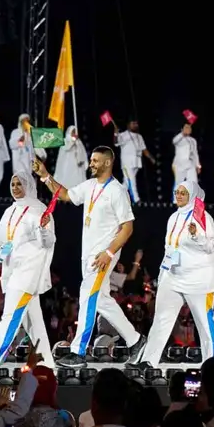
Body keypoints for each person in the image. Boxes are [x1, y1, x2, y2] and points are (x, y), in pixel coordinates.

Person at [35, 143, 142, 358]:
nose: (91, 164)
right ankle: (136, 340)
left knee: (87, 296)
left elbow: (127, 227)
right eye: (91, 160)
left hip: (103, 256)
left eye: (95, 160)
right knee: (101, 299)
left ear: (108, 162)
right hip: (89, 256)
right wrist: (46, 176)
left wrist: (109, 253)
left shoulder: (117, 191)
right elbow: (65, 195)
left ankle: (78, 351)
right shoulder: (91, 185)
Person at [0, 172, 54, 365]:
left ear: (29, 186)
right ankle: (48, 365)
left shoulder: (39, 210)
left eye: (20, 184)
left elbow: (49, 241)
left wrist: (43, 229)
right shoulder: (10, 211)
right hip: (12, 271)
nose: (16, 188)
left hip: (28, 274)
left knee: (10, 315)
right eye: (13, 184)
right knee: (33, 324)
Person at [142, 183, 214, 362]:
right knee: (161, 320)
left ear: (192, 195)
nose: (178, 196)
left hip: (199, 279)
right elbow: (169, 248)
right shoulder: (173, 217)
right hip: (173, 277)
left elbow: (212, 246)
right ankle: (148, 362)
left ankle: (212, 365)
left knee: (204, 323)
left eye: (183, 193)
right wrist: (162, 276)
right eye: (176, 192)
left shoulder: (202, 217)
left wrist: (196, 235)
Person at [116, 118, 147, 203]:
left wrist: (151, 158)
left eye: (136, 123)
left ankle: (116, 197)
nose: (135, 125)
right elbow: (115, 142)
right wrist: (115, 134)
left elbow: (144, 149)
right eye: (133, 123)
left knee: (126, 183)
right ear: (128, 125)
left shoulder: (139, 136)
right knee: (131, 181)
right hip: (127, 163)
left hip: (136, 163)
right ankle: (136, 200)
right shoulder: (123, 135)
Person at [170, 121, 200, 198]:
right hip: (180, 164)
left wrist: (198, 165)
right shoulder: (179, 138)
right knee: (179, 183)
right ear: (182, 129)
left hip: (190, 163)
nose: (188, 129)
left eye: (189, 127)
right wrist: (182, 133)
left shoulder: (193, 140)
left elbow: (195, 153)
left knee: (194, 183)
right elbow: (174, 141)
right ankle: (175, 201)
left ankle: (192, 202)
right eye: (186, 127)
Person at [9, 114, 36, 181]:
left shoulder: (30, 135)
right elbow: (11, 144)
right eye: (24, 121)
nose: (26, 123)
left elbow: (32, 151)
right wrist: (19, 140)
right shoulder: (15, 132)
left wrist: (35, 161)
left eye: (27, 121)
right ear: (20, 122)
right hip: (19, 164)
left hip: (29, 166)